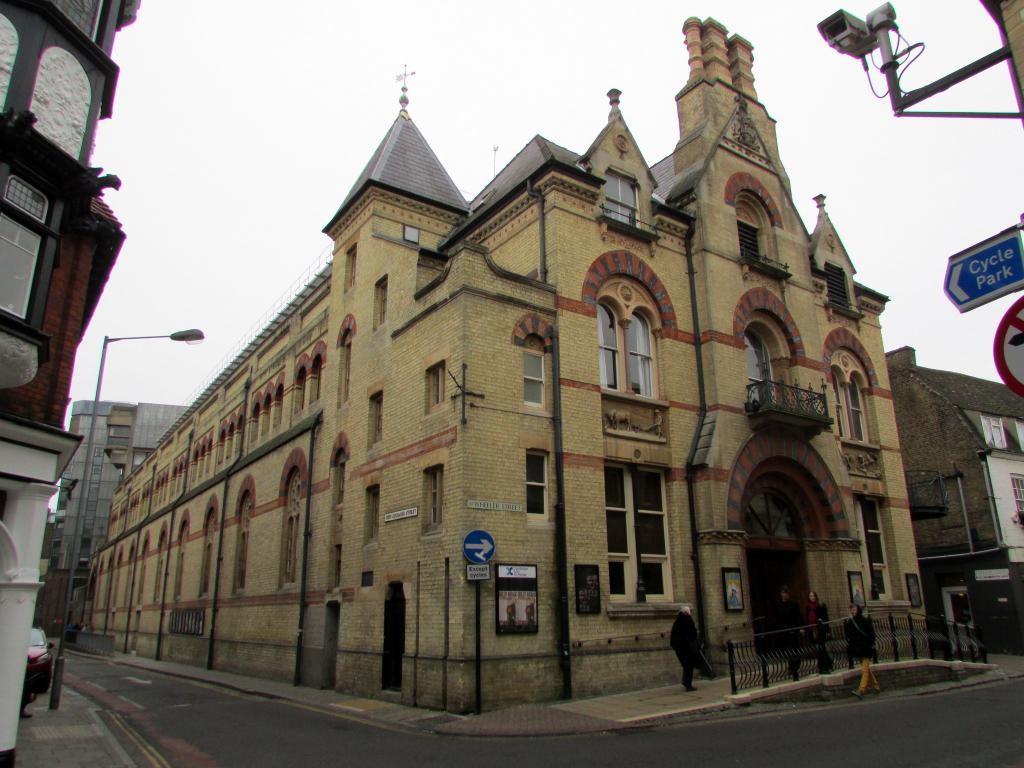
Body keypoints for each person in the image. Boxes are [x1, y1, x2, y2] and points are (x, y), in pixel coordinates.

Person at [845, 603, 879, 698]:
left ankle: (861, 690)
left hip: (866, 648)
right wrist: (848, 622)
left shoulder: (865, 620)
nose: (853, 611)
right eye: (851, 609)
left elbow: (871, 633)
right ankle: (876, 686)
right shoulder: (851, 621)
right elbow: (849, 634)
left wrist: (871, 644)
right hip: (858, 648)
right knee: (867, 669)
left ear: (858, 609)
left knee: (864, 670)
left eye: (854, 609)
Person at [775, 585, 803, 677]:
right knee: (788, 649)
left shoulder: (793, 603)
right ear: (781, 594)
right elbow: (777, 618)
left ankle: (794, 666)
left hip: (793, 629)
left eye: (786, 593)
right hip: (784, 630)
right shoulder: (778, 604)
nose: (784, 595)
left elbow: (798, 616)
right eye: (783, 593)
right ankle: (792, 666)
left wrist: (800, 627)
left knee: (794, 648)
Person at [670, 606, 700, 691]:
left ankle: (686, 681)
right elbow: (692, 633)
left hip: (680, 647)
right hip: (688, 647)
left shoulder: (677, 621)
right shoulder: (687, 620)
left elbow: (674, 636)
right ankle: (688, 683)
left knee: (686, 665)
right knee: (689, 665)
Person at [806, 590, 832, 673]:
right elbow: (807, 618)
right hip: (812, 630)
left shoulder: (820, 606)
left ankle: (824, 666)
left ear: (816, 597)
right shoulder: (808, 607)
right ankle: (827, 664)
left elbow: (825, 618)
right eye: (810, 596)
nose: (812, 598)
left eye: (813, 596)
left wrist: (827, 630)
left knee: (822, 648)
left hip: (820, 630)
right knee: (818, 649)